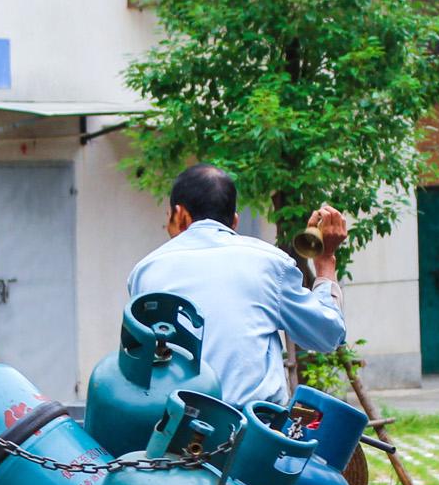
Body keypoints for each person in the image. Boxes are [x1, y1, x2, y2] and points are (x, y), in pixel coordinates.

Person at [128, 164, 349, 411]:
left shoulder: (145, 271)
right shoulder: (269, 262)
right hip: (254, 431)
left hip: (171, 430)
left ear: (179, 215)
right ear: (234, 221)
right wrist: (325, 262)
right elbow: (328, 335)